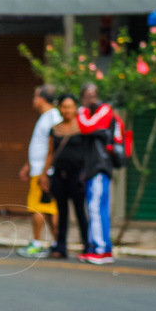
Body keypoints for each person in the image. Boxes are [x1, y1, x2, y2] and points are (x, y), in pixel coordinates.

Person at [41, 94, 89, 260]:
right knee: (61, 213)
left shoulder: (83, 128)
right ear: (59, 108)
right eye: (64, 106)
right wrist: (44, 175)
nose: (67, 110)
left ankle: (87, 246)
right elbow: (50, 153)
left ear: (75, 108)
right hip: (59, 176)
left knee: (80, 212)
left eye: (70, 106)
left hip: (77, 176)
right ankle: (60, 247)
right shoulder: (54, 129)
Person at [77, 83, 119, 264]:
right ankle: (99, 248)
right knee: (97, 208)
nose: (92, 97)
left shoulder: (104, 110)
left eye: (94, 94)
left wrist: (82, 108)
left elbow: (85, 126)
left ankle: (101, 249)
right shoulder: (91, 112)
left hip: (100, 167)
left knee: (95, 207)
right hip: (92, 168)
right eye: (88, 94)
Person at [17, 85, 61, 258]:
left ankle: (36, 243)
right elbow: (39, 145)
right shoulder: (45, 117)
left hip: (44, 172)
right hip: (38, 169)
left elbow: (53, 147)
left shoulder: (54, 118)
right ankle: (57, 243)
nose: (33, 100)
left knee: (37, 208)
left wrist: (45, 172)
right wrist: (28, 165)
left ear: (42, 99)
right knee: (48, 209)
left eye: (35, 97)